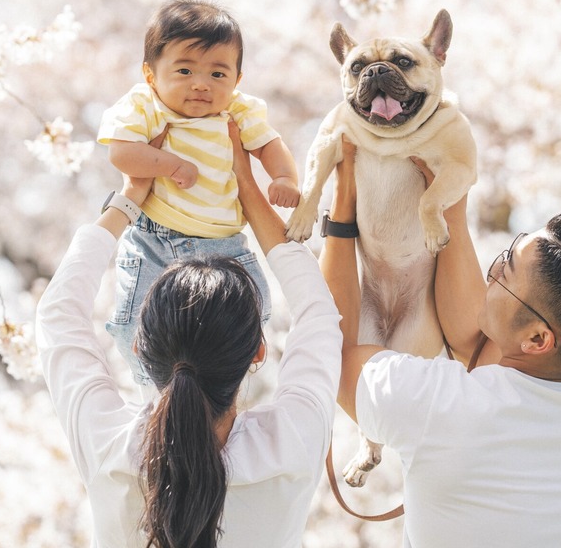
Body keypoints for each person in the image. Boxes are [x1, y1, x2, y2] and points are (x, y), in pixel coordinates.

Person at [321, 139, 561, 547]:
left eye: (506, 269)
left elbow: (333, 352)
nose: (492, 270)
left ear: (537, 339)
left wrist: (342, 213)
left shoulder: (443, 409)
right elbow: (475, 336)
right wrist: (451, 216)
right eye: (508, 250)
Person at [35, 126, 341, 548]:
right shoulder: (290, 441)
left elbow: (57, 315)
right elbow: (319, 315)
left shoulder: (110, 443)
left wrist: (129, 198)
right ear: (259, 351)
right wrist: (246, 187)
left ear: (139, 346)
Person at [96, 0, 300, 384]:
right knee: (131, 324)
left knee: (257, 314)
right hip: (156, 241)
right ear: (152, 74)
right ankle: (154, 389)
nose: (201, 84)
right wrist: (169, 166)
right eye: (185, 70)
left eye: (218, 74)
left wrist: (284, 178)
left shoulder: (237, 111)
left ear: (237, 80)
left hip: (226, 242)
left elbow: (269, 144)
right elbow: (121, 153)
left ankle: (219, 386)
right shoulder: (146, 105)